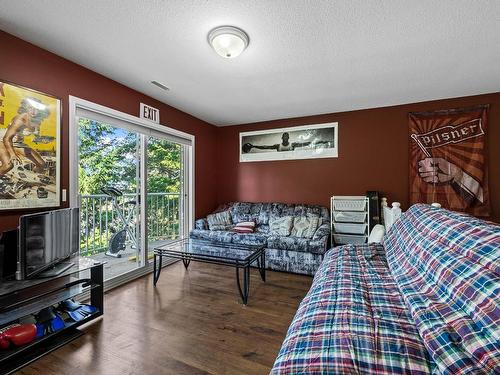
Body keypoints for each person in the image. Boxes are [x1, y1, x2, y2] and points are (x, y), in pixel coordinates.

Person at [0, 98, 50, 175]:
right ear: (26, 108)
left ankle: (33, 177)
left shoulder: (38, 121)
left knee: (41, 164)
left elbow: (35, 137)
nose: (33, 111)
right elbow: (6, 138)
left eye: (36, 109)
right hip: (3, 141)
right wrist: (13, 155)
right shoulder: (21, 119)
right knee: (8, 165)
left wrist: (41, 140)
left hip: (18, 143)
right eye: (30, 108)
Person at [242, 132, 330, 153]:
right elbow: (265, 147)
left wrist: (320, 142)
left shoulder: (293, 145)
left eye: (286, 136)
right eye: (284, 136)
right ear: (281, 138)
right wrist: (253, 146)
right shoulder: (277, 146)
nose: (285, 138)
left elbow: (307, 143)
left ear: (288, 138)